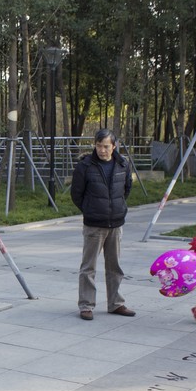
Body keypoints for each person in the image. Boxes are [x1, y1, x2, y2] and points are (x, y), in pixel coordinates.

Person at [70, 128, 135, 321]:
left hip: (115, 223)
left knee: (115, 266)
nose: (102, 150)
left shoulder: (123, 164)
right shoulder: (85, 166)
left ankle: (116, 304)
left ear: (114, 146)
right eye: (99, 146)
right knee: (88, 267)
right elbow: (76, 194)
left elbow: (126, 190)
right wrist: (90, 210)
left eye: (106, 146)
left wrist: (117, 208)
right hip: (94, 225)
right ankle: (86, 305)